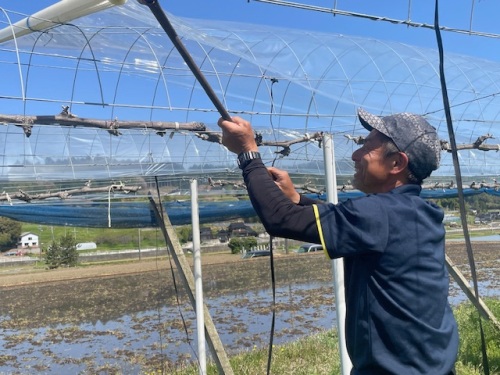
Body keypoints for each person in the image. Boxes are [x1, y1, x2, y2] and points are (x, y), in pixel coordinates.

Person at [218, 109, 459, 375]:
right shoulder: (419, 211)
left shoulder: (379, 213)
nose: (355, 155)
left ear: (396, 164)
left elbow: (280, 219)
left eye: (367, 147)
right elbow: (351, 222)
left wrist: (248, 154)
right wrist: (298, 200)